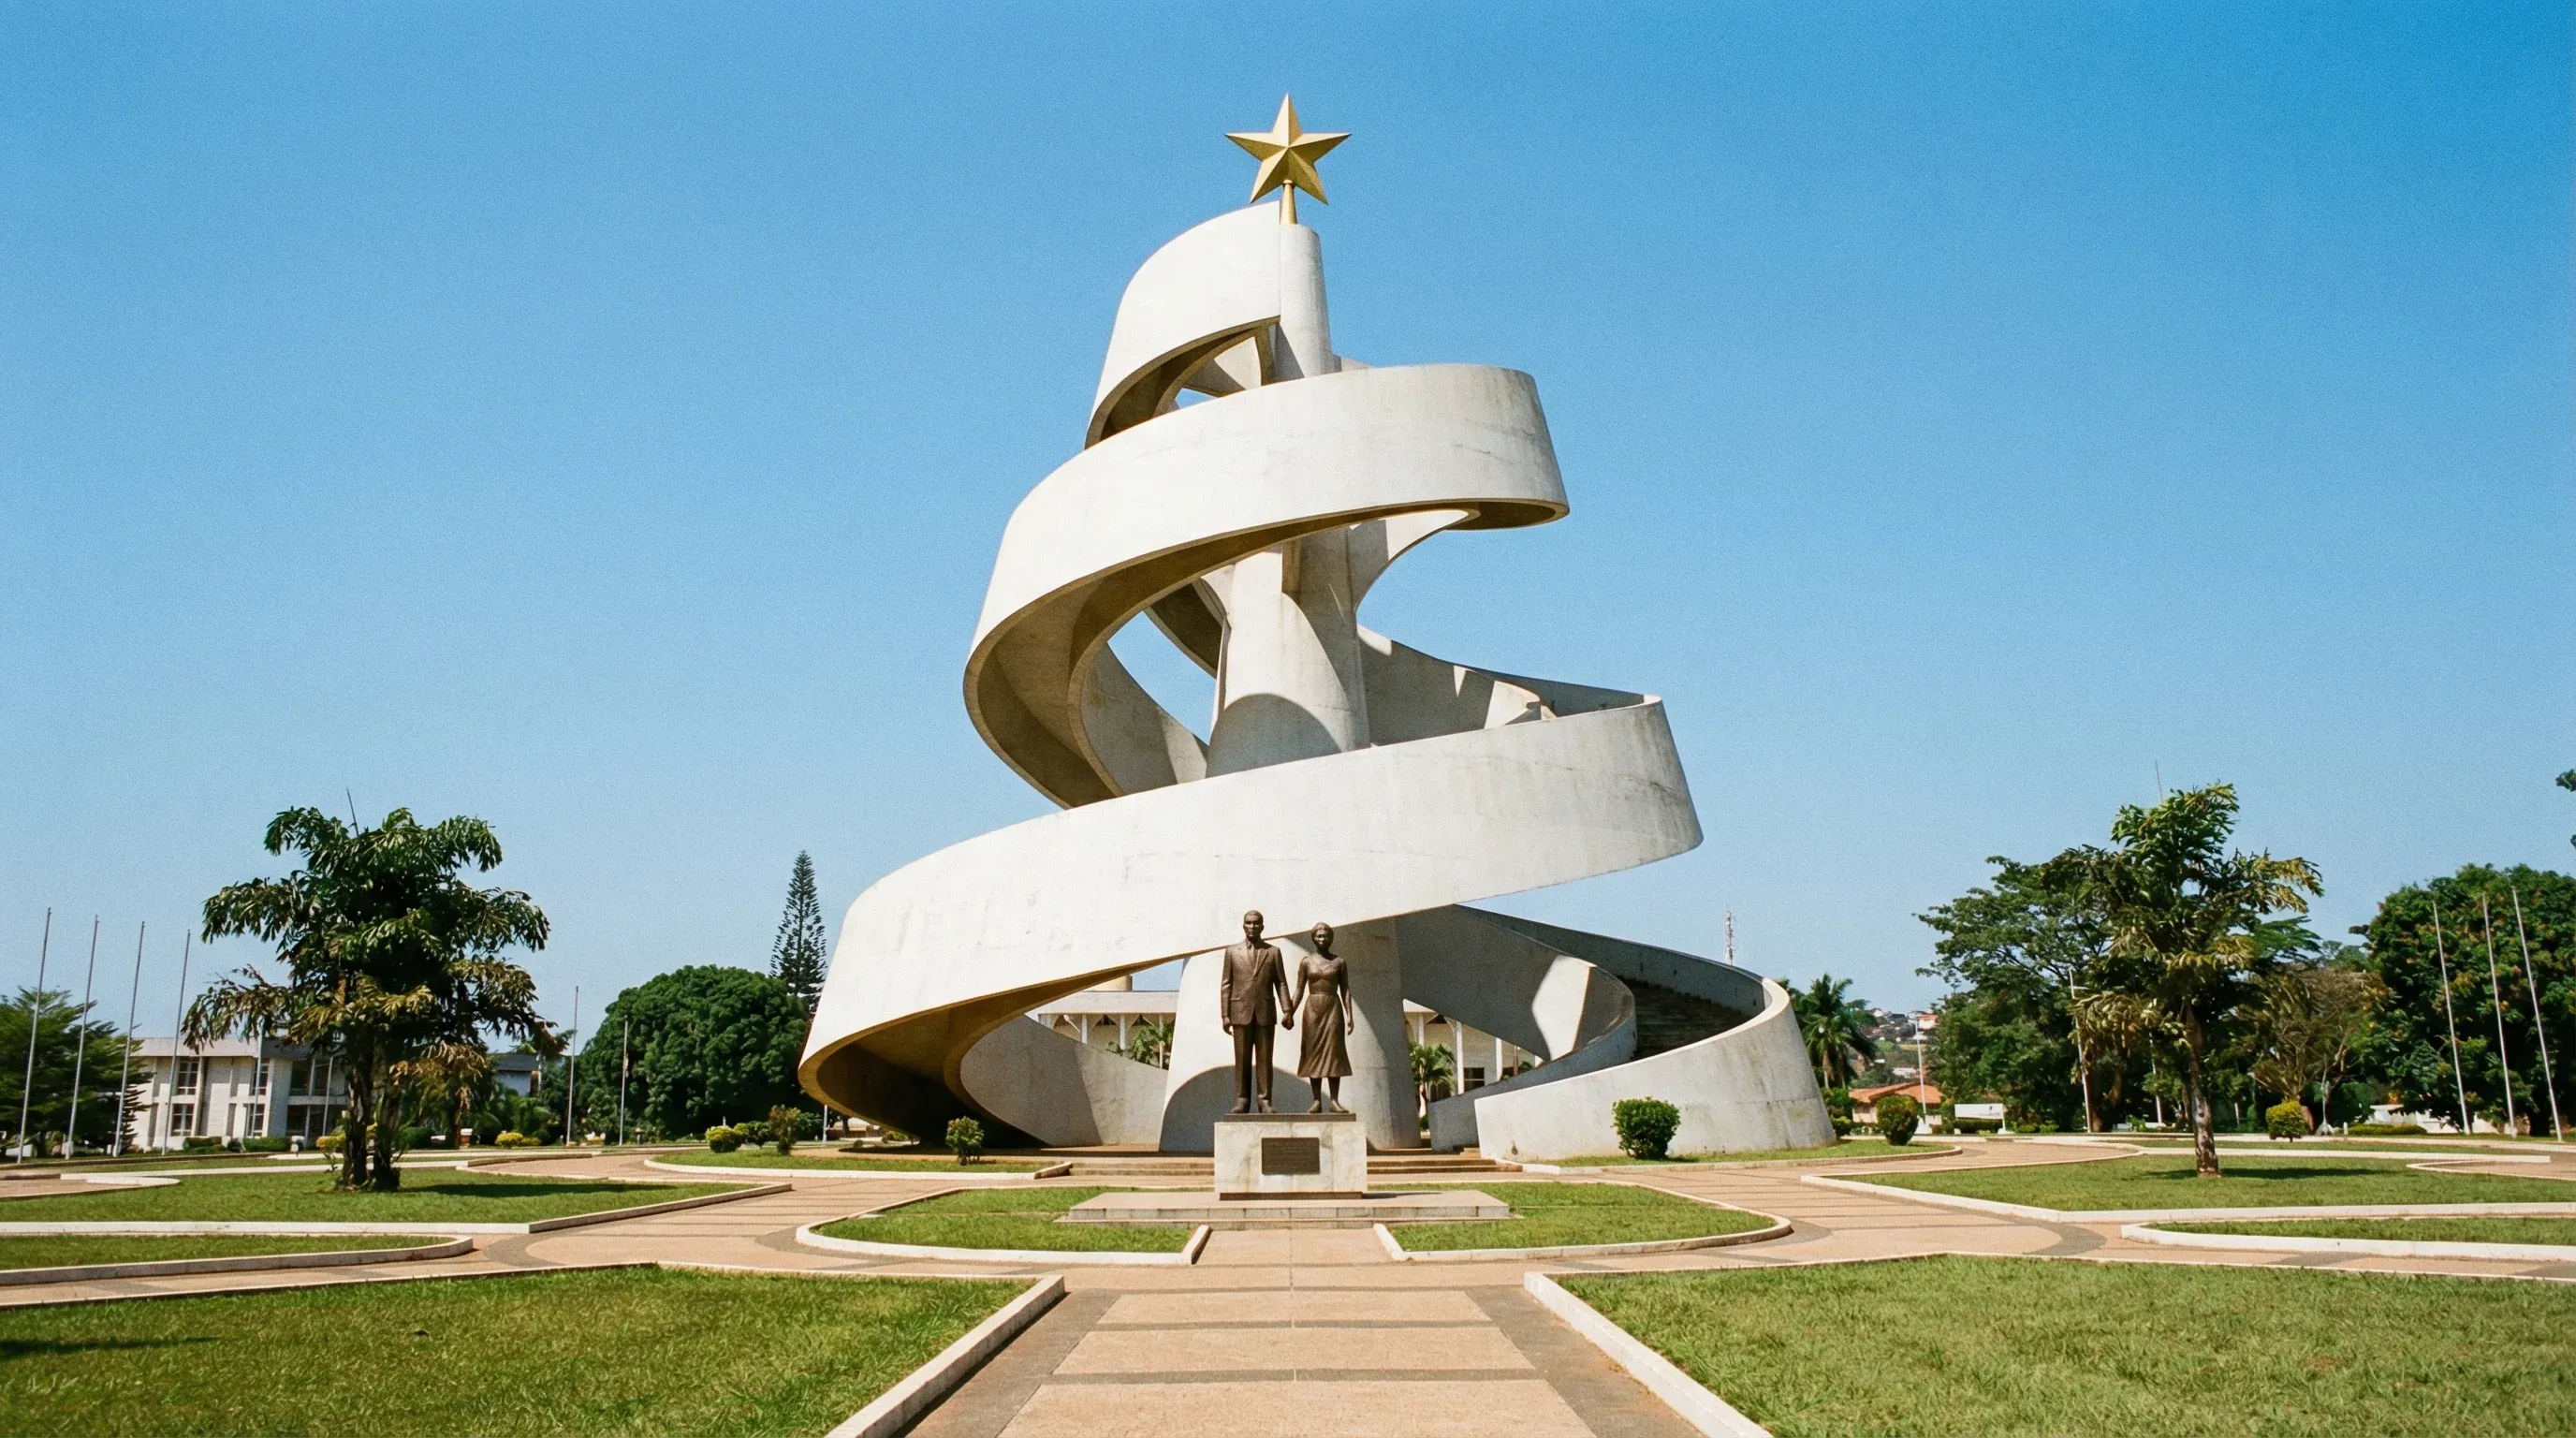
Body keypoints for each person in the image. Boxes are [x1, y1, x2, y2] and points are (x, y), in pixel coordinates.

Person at [1289, 921, 1355, 1113]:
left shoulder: (1339, 962)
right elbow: (1299, 989)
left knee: (1334, 1053)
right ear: (1313, 938)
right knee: (1313, 1053)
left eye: (1326, 935)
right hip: (1312, 1009)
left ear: (1331, 938)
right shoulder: (1306, 961)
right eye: (1319, 936)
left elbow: (1345, 989)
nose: (1322, 939)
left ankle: (1334, 1100)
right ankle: (1316, 1099)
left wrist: (1350, 1014)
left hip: (1332, 1008)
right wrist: (1289, 1012)